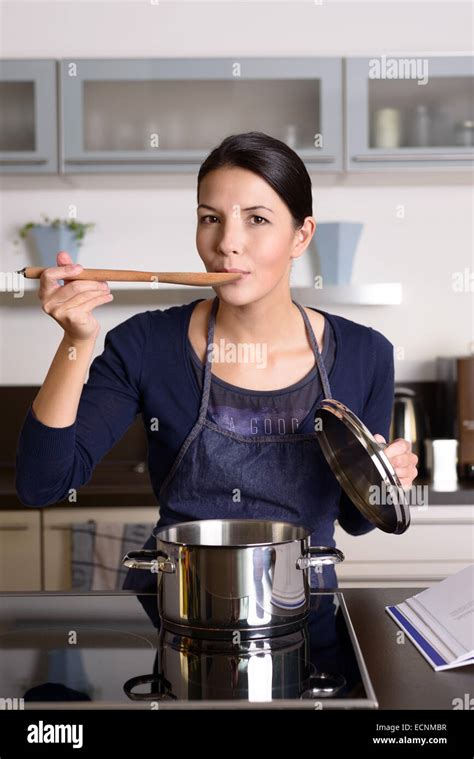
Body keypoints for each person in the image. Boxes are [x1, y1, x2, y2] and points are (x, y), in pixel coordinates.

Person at [15, 131, 418, 592]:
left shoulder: (367, 353)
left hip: (301, 613)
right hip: (176, 607)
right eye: (211, 218)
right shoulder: (146, 343)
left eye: (257, 219)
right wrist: (75, 341)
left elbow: (356, 521)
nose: (228, 242)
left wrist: (384, 479)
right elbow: (41, 485)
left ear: (301, 235)